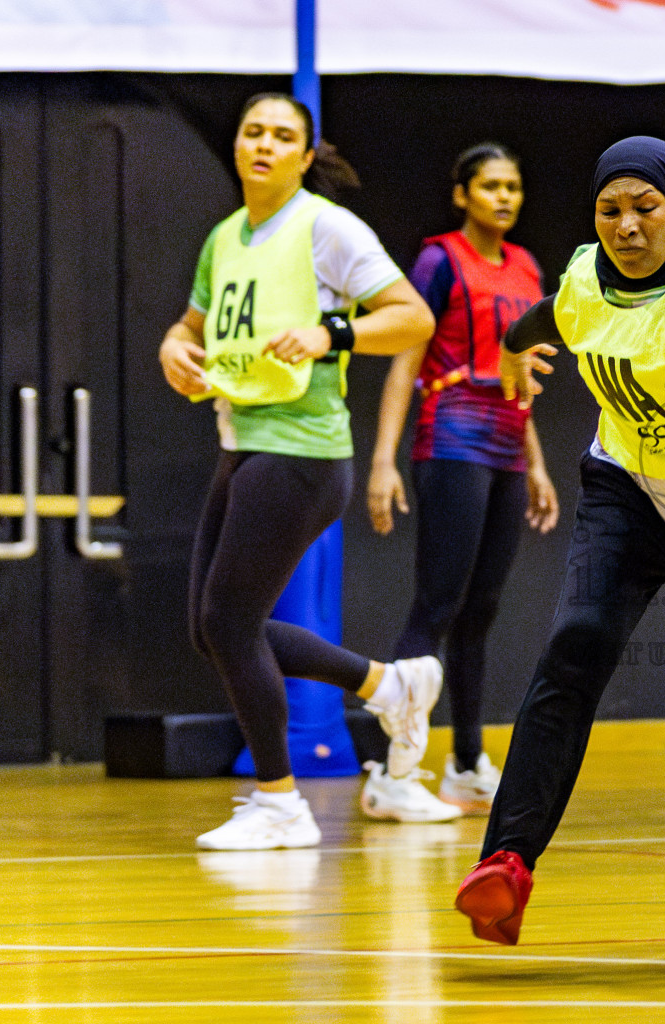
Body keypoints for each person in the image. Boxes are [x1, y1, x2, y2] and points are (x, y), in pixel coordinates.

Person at [451, 137, 665, 946]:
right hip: (625, 485)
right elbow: (539, 318)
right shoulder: (580, 275)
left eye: (645, 208)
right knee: (576, 643)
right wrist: (511, 353)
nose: (626, 226)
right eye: (610, 210)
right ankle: (508, 864)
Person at [158, 93, 442, 849]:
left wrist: (330, 333)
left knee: (228, 621)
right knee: (209, 629)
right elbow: (189, 327)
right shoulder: (225, 237)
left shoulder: (328, 227)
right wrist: (174, 352)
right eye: (253, 130)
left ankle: (280, 801)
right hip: (243, 436)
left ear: (306, 155)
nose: (264, 144)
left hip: (305, 449)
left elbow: (413, 318)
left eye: (283, 136)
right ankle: (389, 684)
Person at [368, 143, 559, 819]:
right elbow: (404, 361)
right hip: (451, 435)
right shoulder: (439, 260)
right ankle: (393, 773)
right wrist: (383, 460)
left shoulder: (529, 267)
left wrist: (535, 462)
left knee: (482, 609)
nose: (505, 197)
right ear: (462, 194)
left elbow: (522, 375)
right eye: (490, 186)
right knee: (437, 604)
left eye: (513, 186)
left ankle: (468, 762)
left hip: (508, 442)